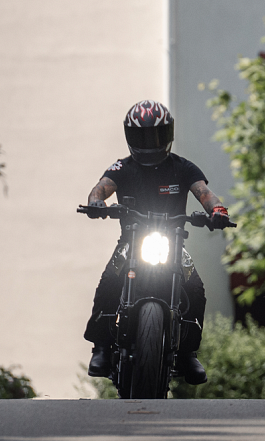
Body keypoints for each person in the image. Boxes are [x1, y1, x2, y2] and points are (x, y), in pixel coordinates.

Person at [83, 100, 230, 385]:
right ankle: (100, 347)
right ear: (129, 136)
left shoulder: (183, 168)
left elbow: (205, 193)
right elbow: (101, 187)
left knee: (196, 289)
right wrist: (95, 202)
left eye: (156, 136)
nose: (149, 143)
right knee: (109, 282)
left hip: (173, 244)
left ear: (168, 134)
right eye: (142, 136)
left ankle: (188, 354)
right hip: (131, 241)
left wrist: (218, 210)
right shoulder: (121, 168)